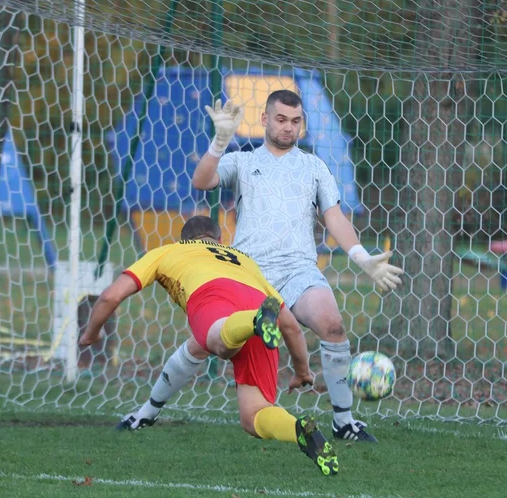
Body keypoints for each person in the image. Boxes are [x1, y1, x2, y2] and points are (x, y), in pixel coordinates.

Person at [120, 91, 403, 442]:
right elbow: (201, 181)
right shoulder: (242, 161)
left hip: (299, 270)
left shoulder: (314, 167)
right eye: (281, 119)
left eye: (296, 121)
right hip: (248, 272)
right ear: (266, 120)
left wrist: (362, 257)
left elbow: (334, 218)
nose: (289, 127)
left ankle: (344, 422)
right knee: (203, 344)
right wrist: (220, 141)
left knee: (332, 325)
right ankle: (147, 412)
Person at [80, 215, 339, 476]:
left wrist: (90, 334)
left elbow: (111, 296)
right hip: (255, 303)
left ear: (184, 240)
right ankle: (298, 430)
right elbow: (291, 326)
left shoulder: (168, 251)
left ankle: (254, 320)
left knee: (220, 344)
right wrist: (302, 371)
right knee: (253, 415)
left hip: (216, 299)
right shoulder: (243, 259)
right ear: (220, 240)